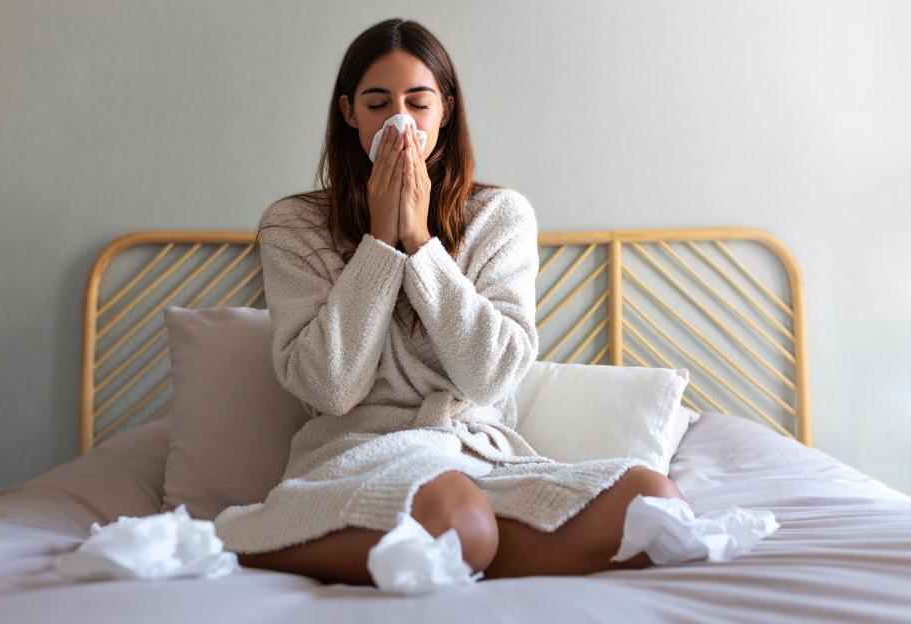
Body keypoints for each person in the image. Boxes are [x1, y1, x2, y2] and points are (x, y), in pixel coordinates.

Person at [213, 17, 686, 586]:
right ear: (347, 112)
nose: (400, 122)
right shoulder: (293, 225)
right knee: (457, 517)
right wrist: (380, 245)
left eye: (418, 103)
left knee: (651, 504)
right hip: (360, 457)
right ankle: (254, 538)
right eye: (377, 103)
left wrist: (422, 245)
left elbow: (492, 379)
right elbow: (330, 387)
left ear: (446, 109)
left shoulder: (499, 216)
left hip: (479, 457)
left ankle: (460, 549)